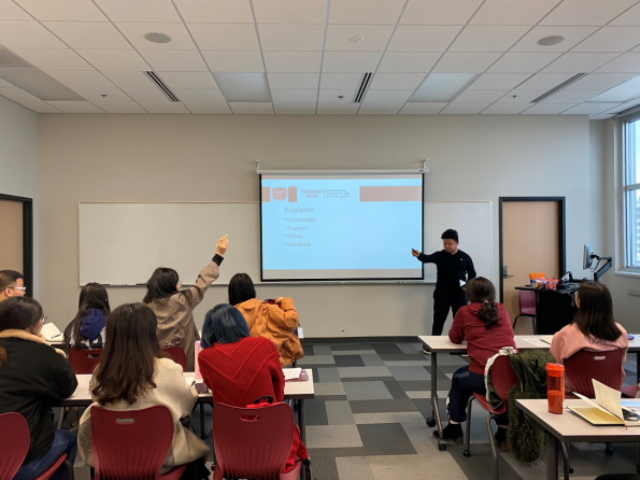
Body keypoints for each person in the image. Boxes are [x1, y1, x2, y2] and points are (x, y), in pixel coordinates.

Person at [78, 303, 209, 479]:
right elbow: (184, 407)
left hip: (111, 459)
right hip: (160, 459)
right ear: (151, 333)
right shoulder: (167, 368)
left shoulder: (101, 373)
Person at [198, 304, 310, 475]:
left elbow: (211, 386)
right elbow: (279, 385)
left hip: (230, 446)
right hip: (271, 442)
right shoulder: (264, 345)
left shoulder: (205, 357)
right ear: (240, 323)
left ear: (208, 331)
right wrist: (272, 408)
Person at [0, 297, 78, 480]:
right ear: (30, 326)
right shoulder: (42, 353)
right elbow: (68, 386)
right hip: (22, 462)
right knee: (70, 437)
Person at [433, 277, 515, 447]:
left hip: (480, 378)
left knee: (459, 378)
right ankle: (505, 432)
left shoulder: (464, 311)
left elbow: (454, 338)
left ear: (470, 294)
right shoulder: (502, 310)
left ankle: (454, 427)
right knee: (501, 388)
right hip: (511, 376)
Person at [144, 236, 228, 371]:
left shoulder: (146, 310)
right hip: (186, 368)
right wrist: (219, 255)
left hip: (158, 370)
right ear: (170, 285)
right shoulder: (183, 301)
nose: (179, 285)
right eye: (177, 282)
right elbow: (203, 281)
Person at [551, 281, 628, 391]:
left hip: (574, 391)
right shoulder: (620, 332)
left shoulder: (566, 334)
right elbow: (622, 362)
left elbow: (558, 363)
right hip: (610, 390)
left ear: (579, 302)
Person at [228, 273, 303, 366]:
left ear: (231, 294)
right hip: (270, 363)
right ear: (252, 291)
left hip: (241, 366)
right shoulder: (268, 308)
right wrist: (285, 301)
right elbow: (292, 321)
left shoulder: (227, 318)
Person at [412, 229, 476, 336]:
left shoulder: (465, 257)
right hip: (442, 293)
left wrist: (468, 285)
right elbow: (427, 258)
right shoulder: (440, 255)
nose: (447, 246)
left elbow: (472, 273)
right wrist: (419, 255)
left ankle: (461, 343)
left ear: (457, 243)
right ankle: (432, 344)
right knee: (438, 320)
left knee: (461, 320)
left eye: (450, 244)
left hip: (459, 293)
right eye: (444, 243)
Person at [63, 283, 111, 350]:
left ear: (82, 301)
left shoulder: (72, 328)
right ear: (105, 300)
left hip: (78, 357)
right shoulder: (113, 324)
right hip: (105, 357)